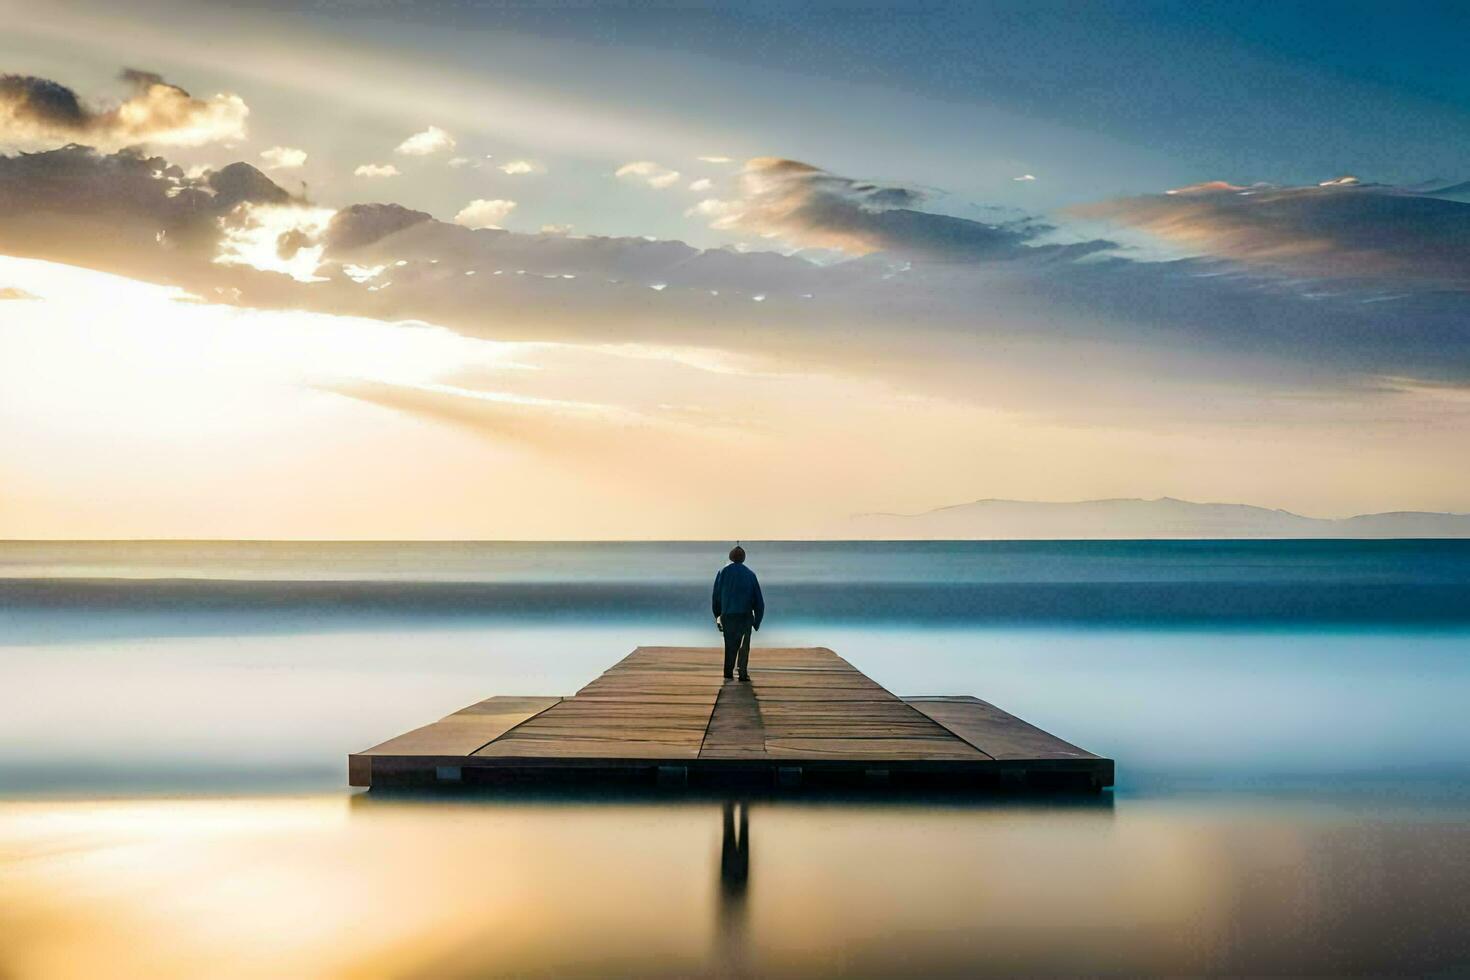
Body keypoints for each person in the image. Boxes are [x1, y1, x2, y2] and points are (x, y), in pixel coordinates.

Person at [712, 545, 764, 681]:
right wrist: (757, 621)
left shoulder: (722, 573)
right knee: (744, 646)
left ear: (730, 557)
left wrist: (717, 615)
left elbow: (716, 597)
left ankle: (728, 672)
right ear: (743, 558)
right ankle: (742, 673)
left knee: (730, 645)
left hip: (728, 615)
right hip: (745, 616)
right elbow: (759, 600)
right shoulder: (750, 574)